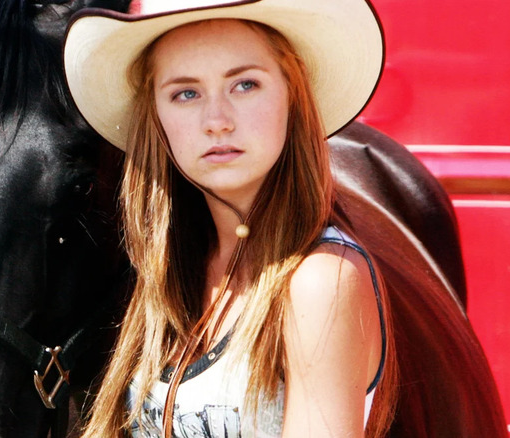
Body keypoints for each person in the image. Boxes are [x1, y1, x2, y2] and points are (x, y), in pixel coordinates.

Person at [63, 0, 396, 436]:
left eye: (244, 85)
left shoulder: (319, 282)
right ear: (157, 120)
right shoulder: (168, 275)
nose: (216, 121)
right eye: (186, 93)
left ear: (292, 94)